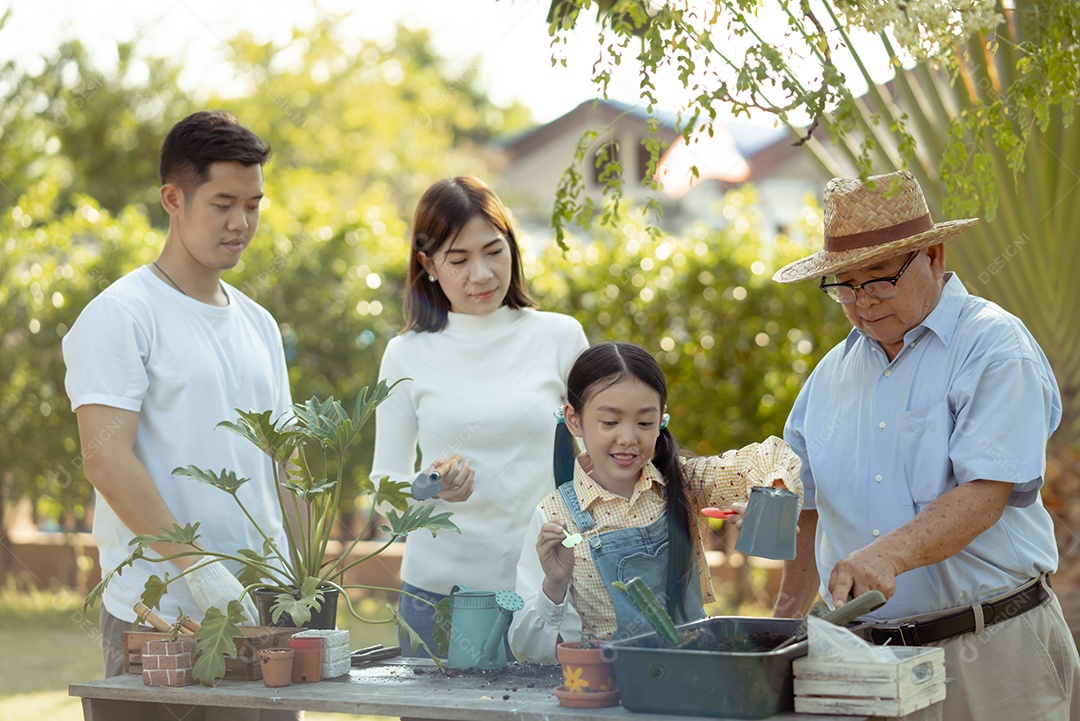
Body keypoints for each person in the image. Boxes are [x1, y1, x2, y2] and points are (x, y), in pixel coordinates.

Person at [771, 170, 1080, 720]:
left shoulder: (993, 345)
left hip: (992, 656)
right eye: (844, 284)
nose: (862, 301)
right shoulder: (828, 378)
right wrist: (779, 630)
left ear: (933, 256)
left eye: (879, 279)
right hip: (863, 663)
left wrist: (888, 554)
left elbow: (987, 490)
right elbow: (809, 509)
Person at [63, 111, 291, 682]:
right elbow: (105, 459)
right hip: (158, 616)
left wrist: (300, 576)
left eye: (253, 205)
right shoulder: (121, 315)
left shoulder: (259, 324)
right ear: (173, 198)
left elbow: (284, 461)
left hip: (261, 615)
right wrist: (198, 568)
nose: (241, 222)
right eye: (222, 204)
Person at [370, 176, 589, 657]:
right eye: (459, 259)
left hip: (544, 590)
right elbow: (383, 484)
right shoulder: (405, 355)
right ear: (427, 264)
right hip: (437, 601)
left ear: (512, 245)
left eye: (494, 251)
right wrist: (430, 485)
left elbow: (599, 463)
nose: (483, 274)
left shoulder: (560, 337)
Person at [508, 342, 803, 662]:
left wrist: (771, 502)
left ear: (661, 419)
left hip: (696, 676)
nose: (628, 438)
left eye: (644, 423)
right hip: (612, 690)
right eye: (610, 422)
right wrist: (555, 582)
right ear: (574, 419)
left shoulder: (685, 483)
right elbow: (527, 650)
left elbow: (771, 457)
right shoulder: (554, 516)